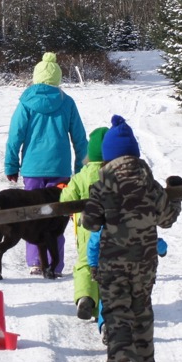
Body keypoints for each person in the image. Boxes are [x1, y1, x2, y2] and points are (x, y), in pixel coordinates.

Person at [80, 115, 182, 362]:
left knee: (117, 313)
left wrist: (94, 205)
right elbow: (167, 218)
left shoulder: (103, 185)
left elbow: (90, 222)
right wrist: (177, 196)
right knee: (142, 309)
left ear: (108, 158)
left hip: (113, 263)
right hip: (145, 262)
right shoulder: (150, 185)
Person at [4, 51, 87, 275]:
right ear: (57, 79)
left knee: (33, 215)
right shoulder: (67, 102)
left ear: (36, 77)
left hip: (32, 170)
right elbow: (80, 138)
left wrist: (11, 165)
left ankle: (35, 262)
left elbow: (15, 135)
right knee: (57, 217)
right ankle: (54, 264)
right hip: (60, 170)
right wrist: (81, 169)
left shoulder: (26, 103)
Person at [60, 125, 109, 319]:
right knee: (109, 265)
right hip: (114, 228)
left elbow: (66, 201)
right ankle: (105, 308)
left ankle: (85, 297)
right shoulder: (114, 174)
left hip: (87, 228)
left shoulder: (81, 176)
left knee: (86, 263)